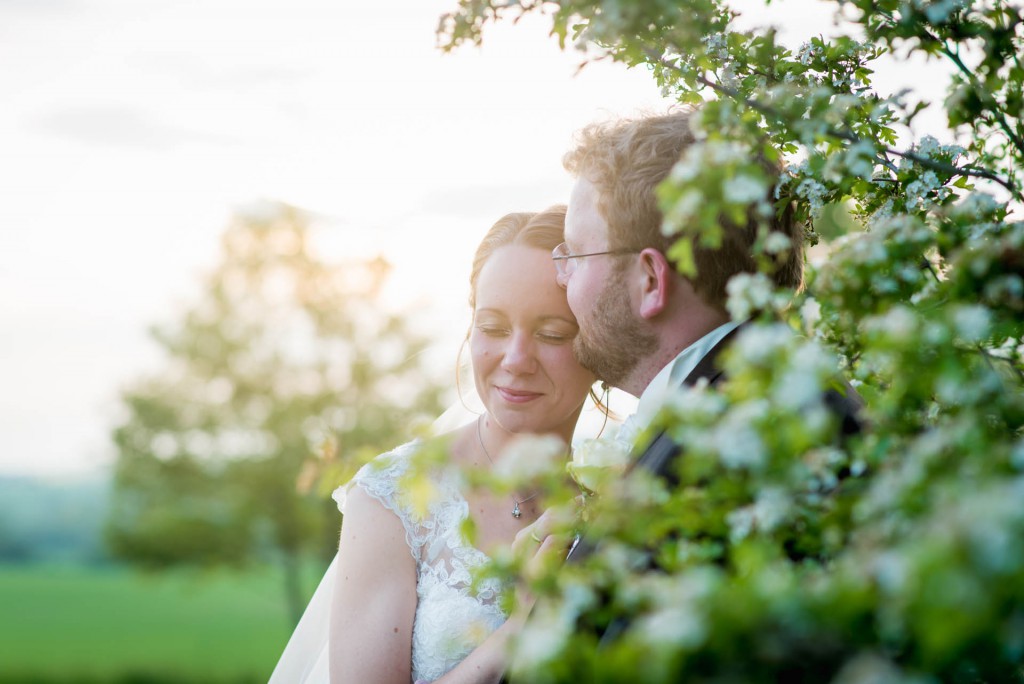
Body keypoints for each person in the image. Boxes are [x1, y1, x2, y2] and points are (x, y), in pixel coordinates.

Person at [268, 206, 596, 684]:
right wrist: (519, 630)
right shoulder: (394, 496)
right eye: (493, 327)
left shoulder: (625, 495)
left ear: (599, 340)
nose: (516, 358)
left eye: (552, 333)